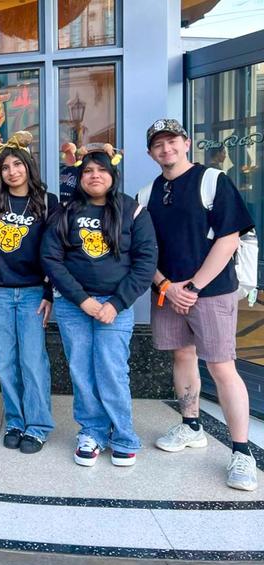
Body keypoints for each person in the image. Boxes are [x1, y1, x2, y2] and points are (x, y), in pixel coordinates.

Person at [142, 119, 258, 491]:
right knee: (182, 357)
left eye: (172, 141)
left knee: (222, 366)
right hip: (168, 293)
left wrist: (191, 287)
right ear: (150, 152)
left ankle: (241, 451)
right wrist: (166, 286)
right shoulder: (148, 193)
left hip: (210, 292)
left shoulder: (212, 180)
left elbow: (229, 239)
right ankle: (191, 425)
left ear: (186, 143)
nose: (166, 149)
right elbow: (145, 251)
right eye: (159, 144)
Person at [42, 147, 157, 468]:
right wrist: (84, 300)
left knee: (112, 371)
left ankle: (123, 435)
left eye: (101, 170)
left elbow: (146, 262)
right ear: (79, 177)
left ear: (112, 175)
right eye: (88, 171)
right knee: (81, 371)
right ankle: (91, 432)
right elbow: (52, 259)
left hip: (115, 308)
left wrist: (117, 303)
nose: (95, 175)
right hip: (74, 305)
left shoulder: (133, 212)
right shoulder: (65, 212)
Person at [0, 132, 57, 454]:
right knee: (5, 361)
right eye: (5, 167)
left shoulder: (47, 202)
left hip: (31, 293)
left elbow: (58, 251)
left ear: (28, 166)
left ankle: (38, 425)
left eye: (17, 164)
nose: (12, 171)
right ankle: (15, 420)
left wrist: (50, 293)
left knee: (32, 362)